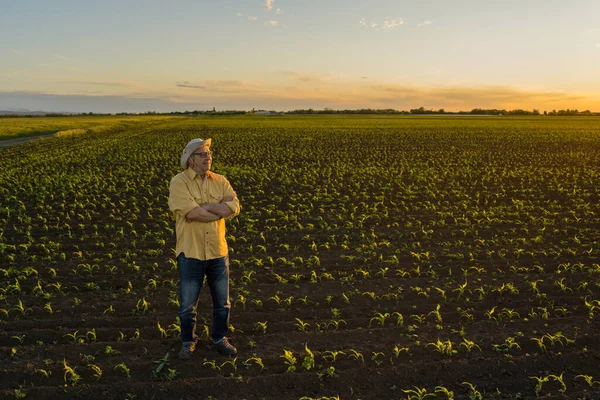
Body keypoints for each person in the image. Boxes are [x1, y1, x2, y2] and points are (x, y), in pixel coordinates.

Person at [168, 138, 241, 360]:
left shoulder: (220, 181)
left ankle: (220, 338)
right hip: (191, 253)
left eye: (209, 153)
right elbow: (191, 213)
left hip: (218, 252)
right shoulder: (179, 183)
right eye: (202, 154)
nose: (208, 157)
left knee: (222, 303)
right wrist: (219, 211)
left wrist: (206, 207)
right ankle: (188, 341)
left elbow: (235, 207)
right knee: (188, 305)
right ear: (191, 159)